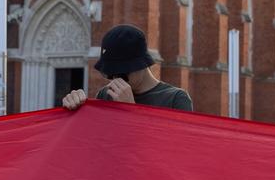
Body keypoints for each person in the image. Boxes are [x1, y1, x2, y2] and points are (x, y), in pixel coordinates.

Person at [62, 24, 194, 113]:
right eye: (110, 74)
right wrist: (75, 108)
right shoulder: (106, 95)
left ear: (140, 64)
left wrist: (131, 110)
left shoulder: (176, 99)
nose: (115, 79)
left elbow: (178, 148)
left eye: (121, 73)